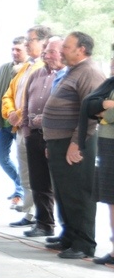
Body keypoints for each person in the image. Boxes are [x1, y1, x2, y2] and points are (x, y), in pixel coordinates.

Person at [42, 31, 106, 259]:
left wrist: (76, 143)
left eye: (66, 48)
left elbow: (92, 113)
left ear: (81, 49)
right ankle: (69, 236)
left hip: (76, 143)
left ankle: (84, 243)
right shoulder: (73, 70)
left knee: (79, 193)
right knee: (64, 192)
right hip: (60, 142)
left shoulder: (89, 72)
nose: (61, 52)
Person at [3, 25, 51, 227]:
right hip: (20, 128)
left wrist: (19, 114)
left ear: (43, 42)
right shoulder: (25, 67)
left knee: (37, 176)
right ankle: (30, 213)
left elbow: (38, 102)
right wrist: (10, 113)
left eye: (30, 40)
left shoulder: (45, 69)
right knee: (25, 173)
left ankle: (39, 216)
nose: (26, 44)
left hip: (34, 129)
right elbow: (8, 94)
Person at [19, 36, 64, 239]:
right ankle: (44, 224)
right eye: (46, 52)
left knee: (60, 185)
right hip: (34, 135)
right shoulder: (36, 74)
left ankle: (68, 231)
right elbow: (26, 103)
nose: (47, 55)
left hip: (55, 137)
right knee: (38, 182)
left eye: (52, 51)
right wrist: (26, 130)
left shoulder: (66, 76)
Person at [82, 56, 114, 265]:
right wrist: (104, 107)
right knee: (111, 199)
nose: (112, 69)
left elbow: (107, 114)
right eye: (112, 65)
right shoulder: (110, 83)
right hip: (107, 143)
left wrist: (106, 114)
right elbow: (90, 105)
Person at [0, 37, 28, 209]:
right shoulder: (4, 68)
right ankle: (20, 185)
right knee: (1, 157)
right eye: (13, 49)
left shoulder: (30, 70)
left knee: (23, 161)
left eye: (18, 50)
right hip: (4, 124)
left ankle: (20, 193)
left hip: (21, 124)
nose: (14, 52)